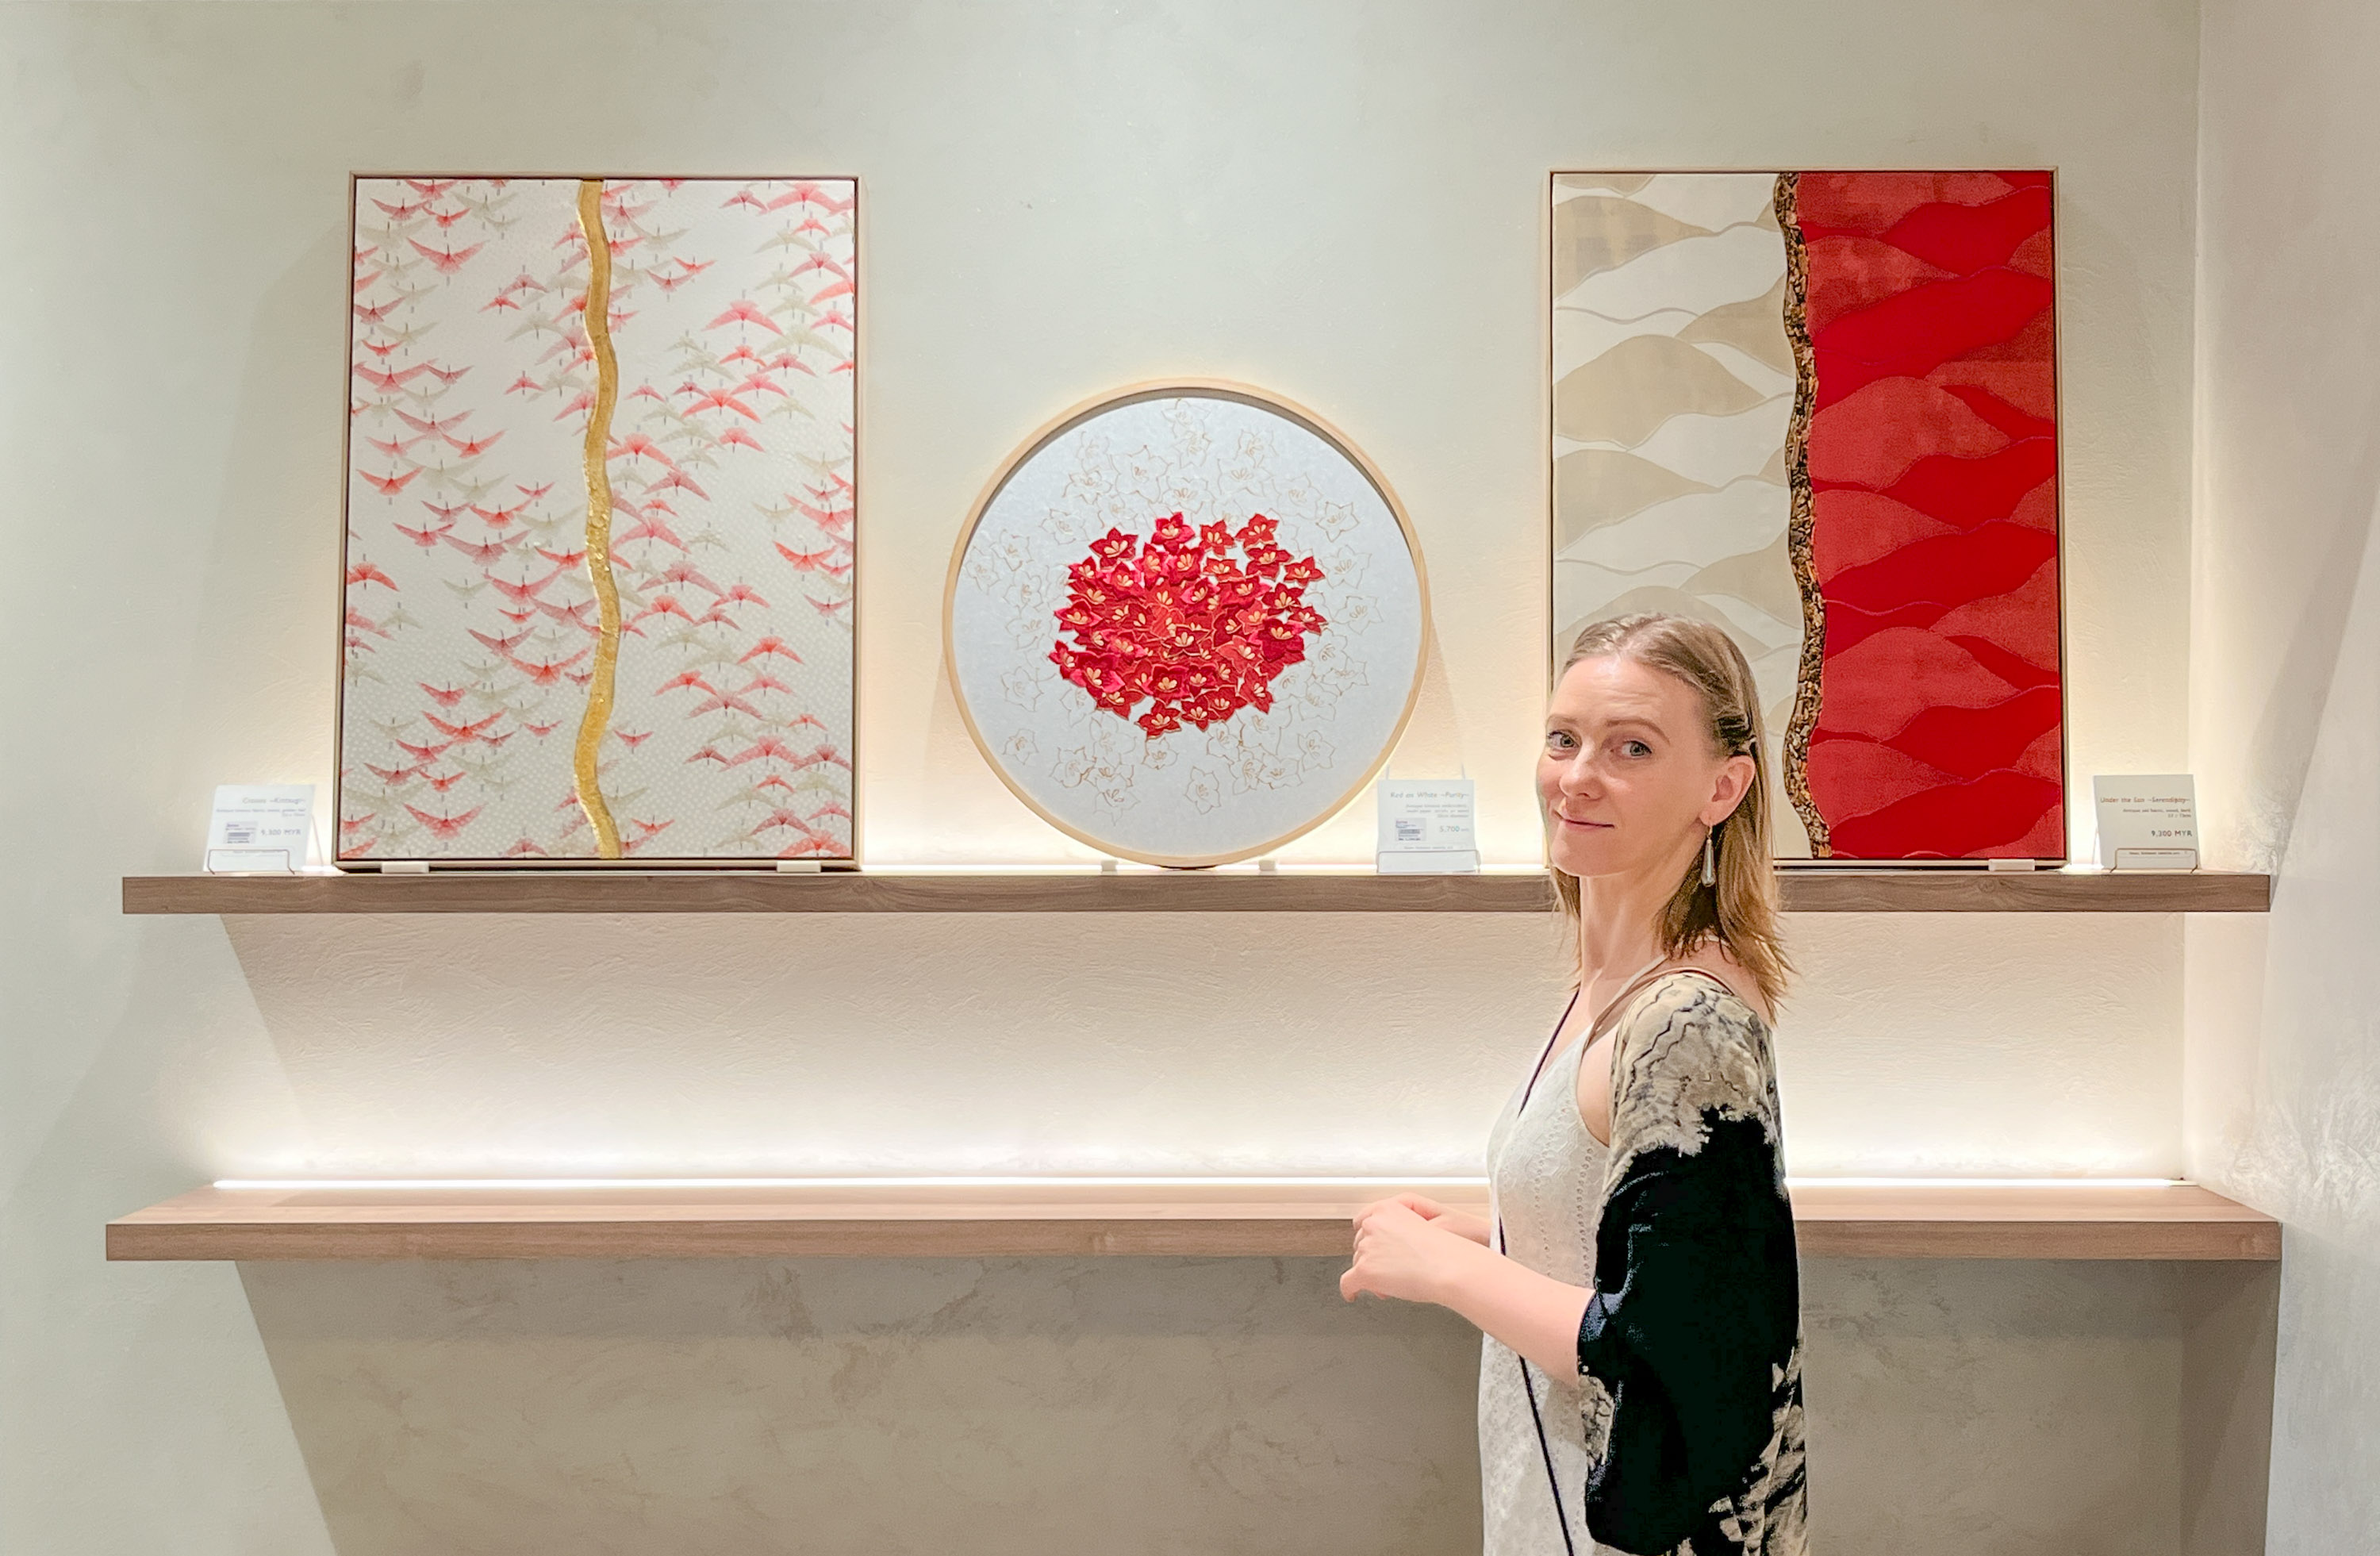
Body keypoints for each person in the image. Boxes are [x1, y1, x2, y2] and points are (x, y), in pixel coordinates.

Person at [1342, 613, 1807, 1556]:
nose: (1578, 775)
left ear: (1723, 787)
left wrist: (1446, 1269)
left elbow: (1673, 1349)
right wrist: (1488, 1228)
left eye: (1632, 747)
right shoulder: (1612, 986)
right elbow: (1636, 1241)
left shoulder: (1688, 1021)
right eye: (1564, 738)